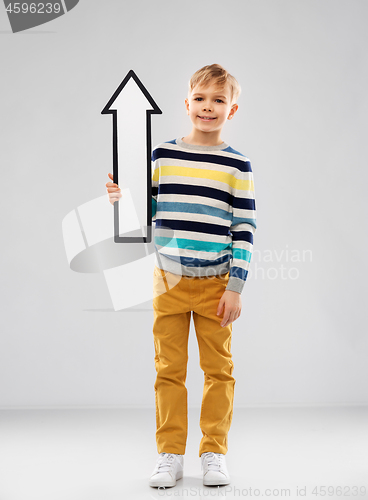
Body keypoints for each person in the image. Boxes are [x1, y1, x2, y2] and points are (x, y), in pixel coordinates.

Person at [106, 64, 257, 488]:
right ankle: (169, 454)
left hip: (216, 285)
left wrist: (235, 287)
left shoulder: (237, 165)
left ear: (233, 109)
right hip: (168, 281)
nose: (208, 107)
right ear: (187, 103)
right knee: (168, 369)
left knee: (218, 370)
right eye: (201, 99)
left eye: (219, 100)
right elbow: (148, 218)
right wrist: (123, 199)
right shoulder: (162, 156)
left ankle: (214, 452)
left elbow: (244, 229)